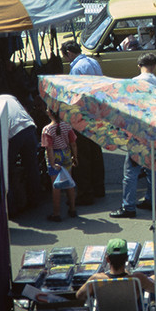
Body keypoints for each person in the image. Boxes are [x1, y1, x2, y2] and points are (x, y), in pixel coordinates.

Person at [111, 53, 156, 219]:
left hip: (137, 131)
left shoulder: (134, 82)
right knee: (152, 169)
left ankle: (128, 206)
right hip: (153, 130)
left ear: (139, 65)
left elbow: (127, 108)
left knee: (131, 171)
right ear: (154, 66)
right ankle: (150, 199)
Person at [59, 41, 104, 204]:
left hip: (83, 116)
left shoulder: (76, 68)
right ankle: (99, 188)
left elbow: (75, 96)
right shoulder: (93, 62)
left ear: (69, 53)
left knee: (82, 155)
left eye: (64, 55)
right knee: (95, 152)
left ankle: (86, 193)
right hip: (96, 113)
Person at [76, 237, 156, 304]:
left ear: (107, 259)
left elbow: (79, 295)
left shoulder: (96, 279)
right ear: (126, 258)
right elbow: (155, 289)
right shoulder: (137, 278)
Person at [41, 105, 78, 222]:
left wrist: (52, 163)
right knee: (69, 182)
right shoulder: (67, 126)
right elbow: (73, 143)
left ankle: (56, 213)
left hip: (55, 156)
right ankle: (72, 209)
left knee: (56, 186)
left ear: (50, 113)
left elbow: (49, 149)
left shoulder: (47, 130)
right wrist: (75, 157)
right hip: (66, 154)